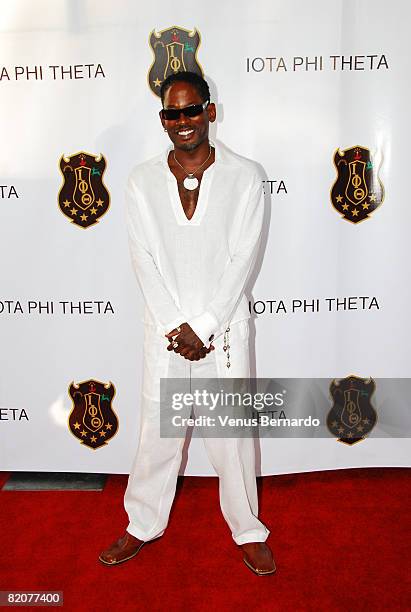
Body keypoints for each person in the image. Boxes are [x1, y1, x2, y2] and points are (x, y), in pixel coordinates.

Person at [99, 71, 275, 575]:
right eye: (173, 113)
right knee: (158, 436)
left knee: (231, 438)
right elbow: (143, 259)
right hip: (167, 334)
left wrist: (205, 324)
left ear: (210, 111)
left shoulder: (245, 175)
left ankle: (247, 529)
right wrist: (179, 325)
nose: (184, 121)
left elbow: (243, 257)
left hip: (221, 335)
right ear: (162, 120)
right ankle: (141, 524)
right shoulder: (141, 180)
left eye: (192, 110)